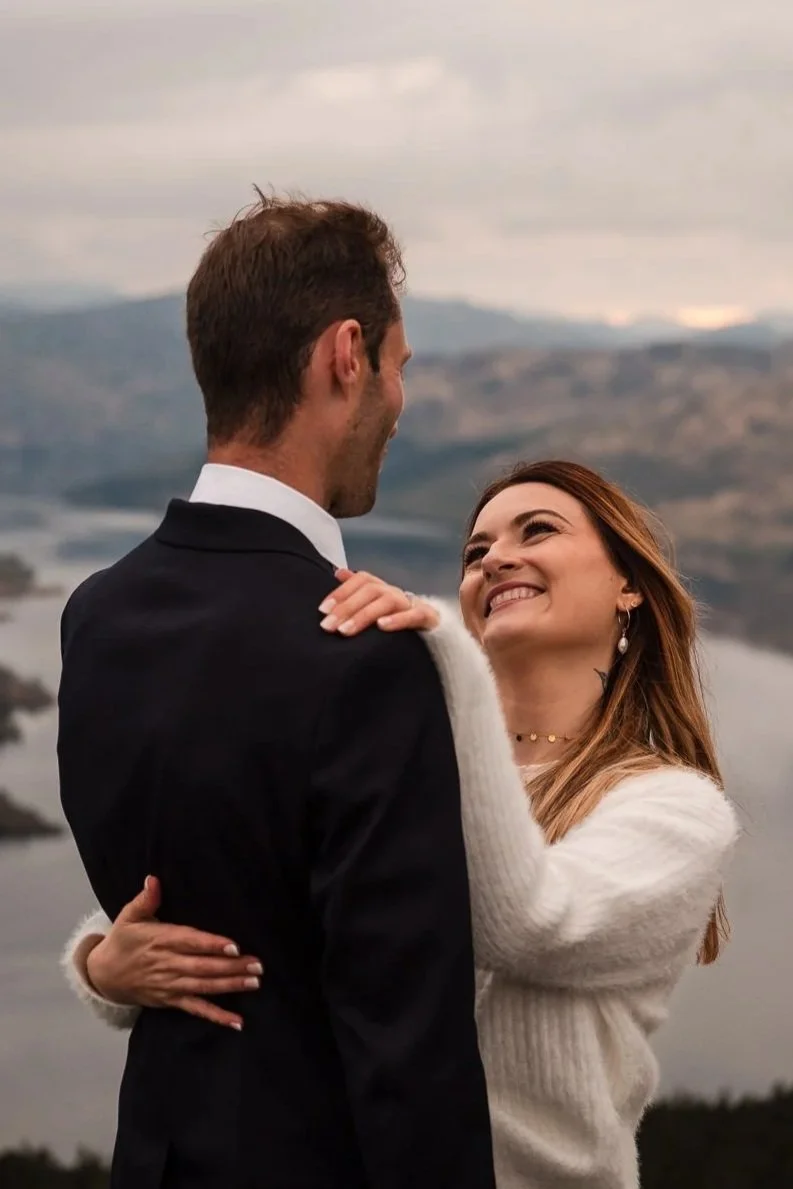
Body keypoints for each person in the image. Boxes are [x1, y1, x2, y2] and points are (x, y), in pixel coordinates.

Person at [64, 457, 739, 1189]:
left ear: (627, 585)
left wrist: (441, 652)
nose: (495, 558)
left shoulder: (674, 808)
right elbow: (253, 905)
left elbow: (530, 922)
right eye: (475, 552)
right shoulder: (408, 753)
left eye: (536, 531)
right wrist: (104, 965)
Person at [57, 192, 497, 1189]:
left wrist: (96, 963)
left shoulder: (98, 616)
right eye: (397, 367)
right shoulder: (363, 654)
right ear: (346, 355)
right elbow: (408, 1054)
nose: (398, 399)